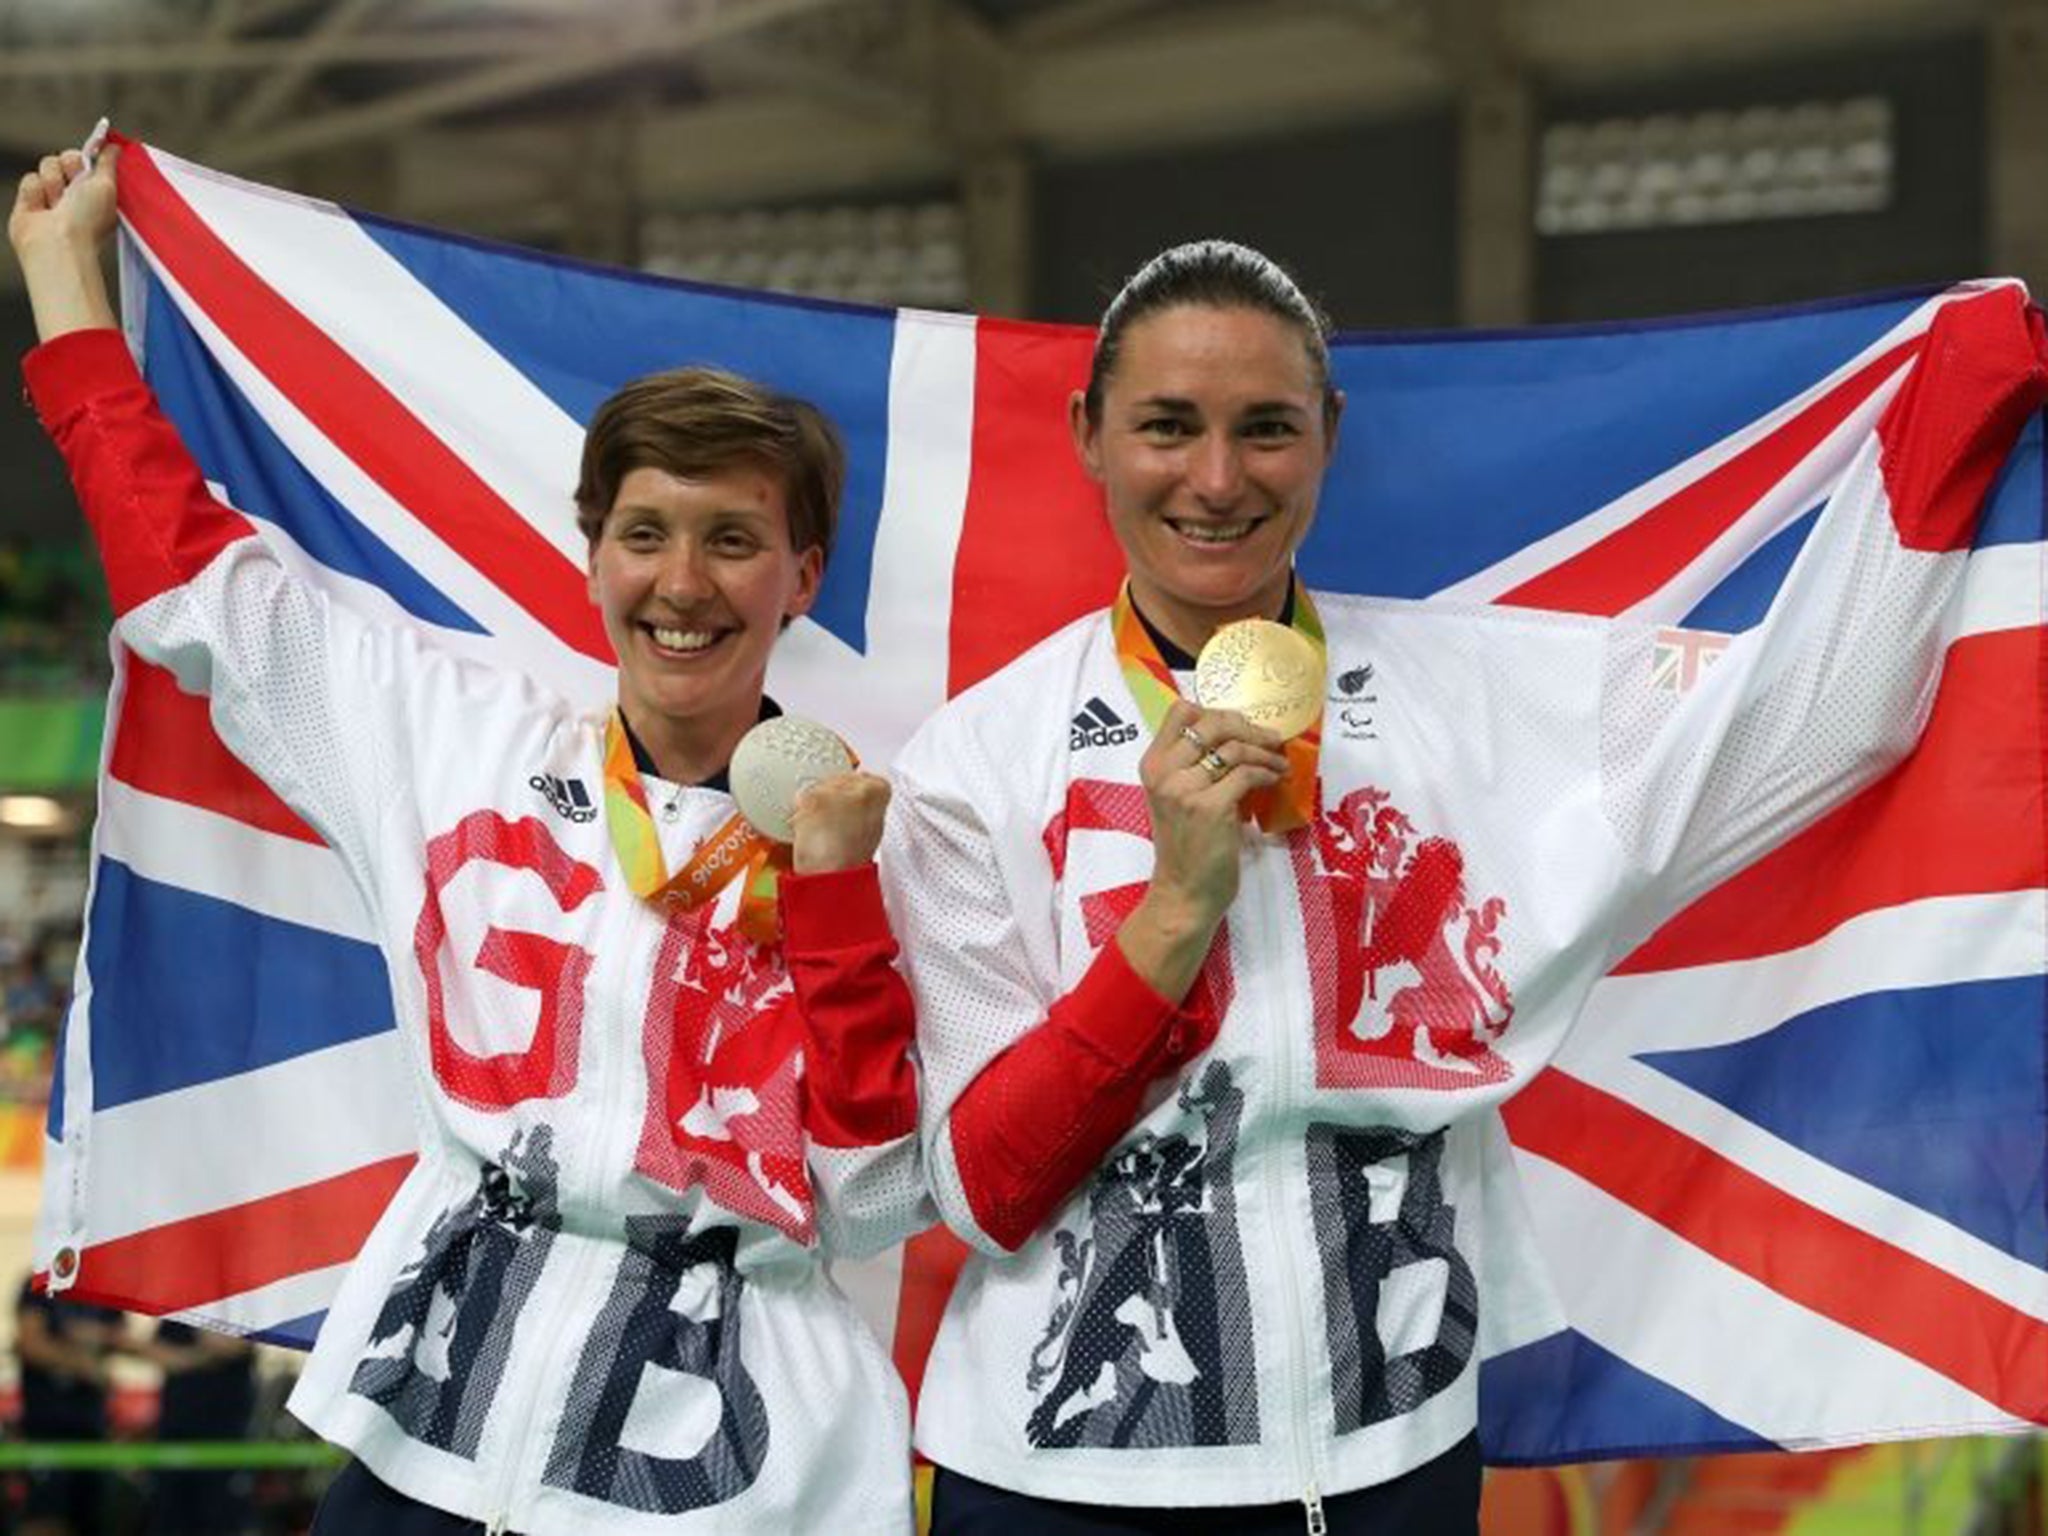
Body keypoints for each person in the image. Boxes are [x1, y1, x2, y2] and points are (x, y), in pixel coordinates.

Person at [880, 239, 2048, 1533]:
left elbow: (1819, 721)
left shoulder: (1476, 697)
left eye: (1265, 428)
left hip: (1398, 1472)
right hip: (1067, 1488)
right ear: (1088, 436)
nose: (1216, 479)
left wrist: (1953, 403)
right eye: (1167, 426)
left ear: (1326, 435)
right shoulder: (976, 765)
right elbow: (984, 1193)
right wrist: (1172, 915)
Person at [12, 142, 930, 1535]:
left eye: (734, 539)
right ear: (592, 555)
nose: (683, 584)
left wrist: (839, 904)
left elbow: (869, 1205)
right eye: (646, 533)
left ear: (803, 574)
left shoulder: (881, 833)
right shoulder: (452, 739)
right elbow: (187, 577)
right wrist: (62, 279)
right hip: (433, 1431)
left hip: (726, 1473)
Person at [14, 1274, 126, 1536]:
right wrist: (79, 1363)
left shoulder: (106, 1286)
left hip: (91, 1427)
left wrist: (93, 1336)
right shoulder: (39, 1284)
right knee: (45, 1516)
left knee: (89, 1515)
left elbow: (120, 1337)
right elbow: (29, 1343)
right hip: (46, 1426)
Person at [143, 1320, 258, 1536]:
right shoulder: (183, 1304)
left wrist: (187, 1356)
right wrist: (198, 1355)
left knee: (218, 1519)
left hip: (224, 1439)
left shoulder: (240, 1304)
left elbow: (232, 1345)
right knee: (169, 1518)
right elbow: (157, 1351)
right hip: (176, 1431)